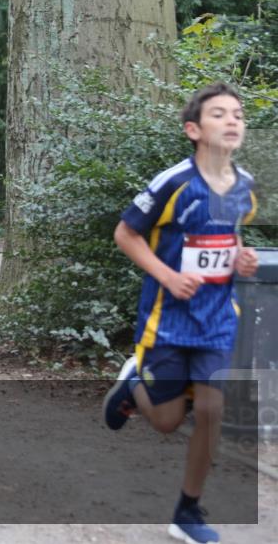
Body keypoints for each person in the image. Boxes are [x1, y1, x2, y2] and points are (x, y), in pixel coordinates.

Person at [103, 82, 258, 544]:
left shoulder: (245, 188)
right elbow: (126, 234)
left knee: (212, 409)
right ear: (193, 129)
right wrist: (168, 277)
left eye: (237, 114)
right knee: (168, 422)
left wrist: (241, 258)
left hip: (216, 319)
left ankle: (187, 511)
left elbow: (227, 238)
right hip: (166, 320)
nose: (232, 120)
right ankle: (134, 382)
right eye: (219, 114)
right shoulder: (173, 183)